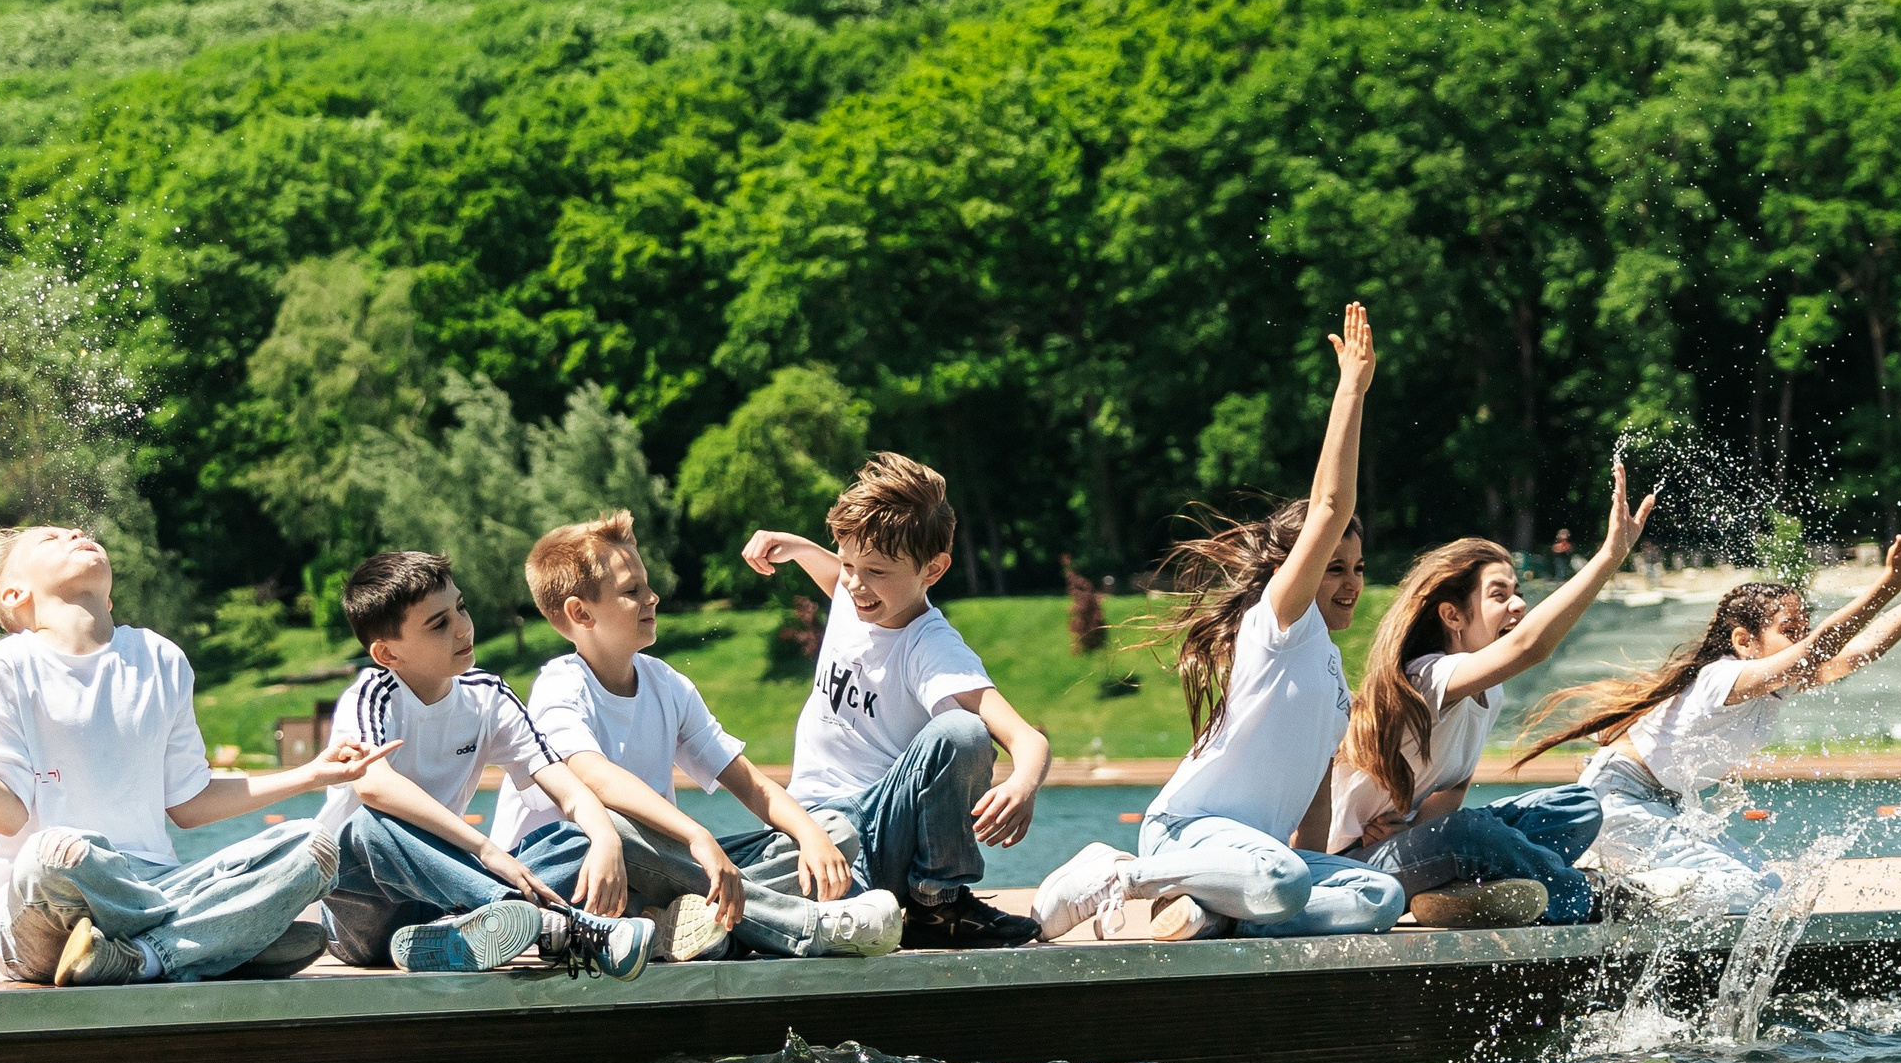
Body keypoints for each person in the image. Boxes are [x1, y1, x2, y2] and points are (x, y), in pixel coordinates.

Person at [0, 525, 393, 987]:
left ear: (111, 596)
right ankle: (212, 938)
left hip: (154, 884)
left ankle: (143, 957)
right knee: (55, 851)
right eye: (50, 539)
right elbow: (4, 817)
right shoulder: (6, 666)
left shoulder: (160, 657)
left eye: (77, 531)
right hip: (51, 905)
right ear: (16, 593)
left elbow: (189, 804)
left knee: (311, 843)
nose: (74, 534)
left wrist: (310, 774)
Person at [1032, 303, 1406, 944]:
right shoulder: (1279, 626)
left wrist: (1300, 885)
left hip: (1258, 862)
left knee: (1379, 893)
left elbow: (1314, 810)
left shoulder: (1334, 684)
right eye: (1334, 566)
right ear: (1300, 570)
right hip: (1190, 833)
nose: (1351, 583)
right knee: (1283, 880)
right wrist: (1351, 390)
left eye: (1359, 567)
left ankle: (1219, 911)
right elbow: (1329, 504)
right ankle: (1122, 873)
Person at [1516, 529, 1901, 915]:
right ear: (1744, 641)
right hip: (1617, 800)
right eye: (1788, 632)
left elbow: (1860, 650)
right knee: (1748, 891)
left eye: (1802, 629)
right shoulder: (1721, 678)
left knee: (1767, 888)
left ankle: (1622, 888)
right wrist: (1892, 581)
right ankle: (1598, 889)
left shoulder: (1772, 683)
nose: (1802, 640)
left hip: (1660, 806)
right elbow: (1824, 646)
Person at [491, 511, 904, 959]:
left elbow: (751, 784)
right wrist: (696, 836)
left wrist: (809, 834)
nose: (653, 597)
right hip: (568, 873)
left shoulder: (666, 684)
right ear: (581, 612)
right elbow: (595, 778)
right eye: (632, 591)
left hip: (662, 868)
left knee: (835, 830)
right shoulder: (559, 686)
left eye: (646, 585)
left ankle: (681, 919)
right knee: (608, 826)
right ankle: (802, 926)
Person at [1324, 460, 1655, 929]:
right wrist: (1608, 558)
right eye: (1499, 595)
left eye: (1517, 591)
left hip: (1415, 842)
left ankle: (1469, 889)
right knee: (1469, 834)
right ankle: (1585, 898)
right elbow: (1530, 646)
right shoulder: (1428, 677)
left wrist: (1417, 829)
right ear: (1452, 616)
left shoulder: (1487, 693)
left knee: (1576, 807)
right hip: (1354, 867)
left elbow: (1451, 790)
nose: (1518, 604)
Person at [741, 453, 1054, 947]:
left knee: (963, 732)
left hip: (875, 834)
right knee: (724, 866)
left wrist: (1024, 785)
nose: (855, 585)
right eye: (848, 564)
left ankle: (938, 906)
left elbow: (1025, 737)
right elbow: (838, 580)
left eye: (876, 573)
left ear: (933, 569)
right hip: (810, 826)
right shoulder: (856, 593)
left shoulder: (932, 648)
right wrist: (797, 547)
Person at [315, 550, 659, 978]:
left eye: (460, 607)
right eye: (438, 624)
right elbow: (373, 786)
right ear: (387, 654)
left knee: (575, 839)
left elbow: (566, 786)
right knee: (368, 826)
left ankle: (452, 936)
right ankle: (553, 923)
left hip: (449, 900)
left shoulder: (488, 696)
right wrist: (485, 849)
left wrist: (606, 837)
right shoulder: (372, 695)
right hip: (364, 911)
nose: (462, 627)